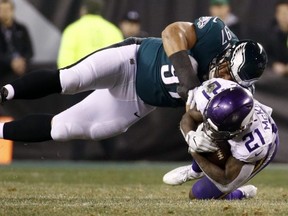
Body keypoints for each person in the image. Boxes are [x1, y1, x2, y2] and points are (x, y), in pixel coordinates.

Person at [0, 16, 267, 144]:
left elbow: (199, 118)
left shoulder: (237, 93)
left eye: (232, 79)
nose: (223, 79)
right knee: (71, 79)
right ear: (229, 54)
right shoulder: (215, 33)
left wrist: (199, 140)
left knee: (63, 129)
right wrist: (189, 79)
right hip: (134, 58)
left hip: (138, 100)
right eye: (225, 71)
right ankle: (6, 92)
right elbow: (172, 32)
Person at [163, 78, 279, 200]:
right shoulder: (212, 93)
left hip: (264, 146)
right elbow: (188, 116)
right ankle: (195, 170)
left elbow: (225, 180)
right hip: (233, 129)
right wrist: (190, 136)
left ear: (242, 128)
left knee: (198, 195)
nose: (210, 132)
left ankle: (241, 193)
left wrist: (195, 152)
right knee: (204, 131)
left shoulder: (256, 143)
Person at [57, 0, 123, 68]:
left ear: (83, 10)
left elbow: (65, 59)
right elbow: (120, 59)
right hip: (107, 76)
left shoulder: (73, 29)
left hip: (79, 75)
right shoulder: (114, 30)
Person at [0, 0, 33, 80]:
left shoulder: (22, 28)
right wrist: (11, 63)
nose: (5, 13)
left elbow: (30, 51)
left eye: (7, 10)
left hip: (22, 68)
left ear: (12, 10)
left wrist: (21, 62)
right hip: (3, 71)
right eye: (2, 10)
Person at [266, 0, 288, 76]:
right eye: (281, 13)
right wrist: (273, 64)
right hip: (276, 75)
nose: (284, 16)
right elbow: (265, 54)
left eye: (286, 12)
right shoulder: (271, 33)